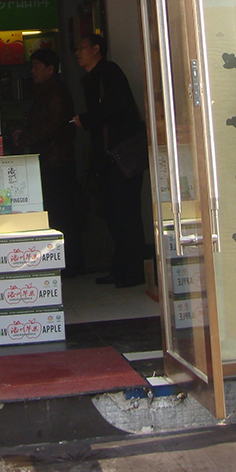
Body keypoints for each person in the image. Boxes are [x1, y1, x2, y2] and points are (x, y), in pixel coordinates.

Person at [73, 34, 151, 288]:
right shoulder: (93, 77)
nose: (77, 53)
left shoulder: (109, 72)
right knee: (114, 216)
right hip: (108, 159)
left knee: (126, 214)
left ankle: (133, 271)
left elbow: (115, 107)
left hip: (121, 157)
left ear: (96, 49)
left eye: (82, 48)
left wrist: (86, 119)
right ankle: (121, 268)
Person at [14, 49, 85, 277]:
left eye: (37, 66)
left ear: (50, 69)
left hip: (57, 162)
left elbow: (52, 127)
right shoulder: (46, 91)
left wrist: (25, 138)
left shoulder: (56, 93)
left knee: (61, 214)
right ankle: (66, 262)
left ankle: (70, 264)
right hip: (50, 160)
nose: (33, 71)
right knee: (58, 213)